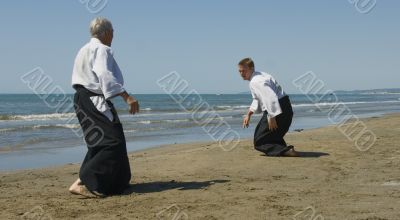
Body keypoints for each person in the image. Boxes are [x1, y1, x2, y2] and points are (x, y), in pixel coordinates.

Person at [69, 17, 139, 197]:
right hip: (93, 99)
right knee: (112, 141)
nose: (114, 36)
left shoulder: (83, 49)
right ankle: (82, 181)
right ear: (107, 32)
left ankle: (117, 184)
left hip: (82, 99)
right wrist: (127, 96)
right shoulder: (101, 49)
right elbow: (104, 74)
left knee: (101, 140)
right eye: (113, 32)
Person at [239, 58, 298, 157]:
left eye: (244, 71)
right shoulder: (261, 75)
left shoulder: (255, 81)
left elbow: (269, 96)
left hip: (277, 108)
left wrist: (272, 116)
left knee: (259, 141)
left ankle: (287, 151)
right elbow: (257, 99)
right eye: (240, 71)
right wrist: (249, 114)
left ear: (251, 68)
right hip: (285, 106)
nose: (241, 73)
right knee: (272, 134)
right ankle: (284, 149)